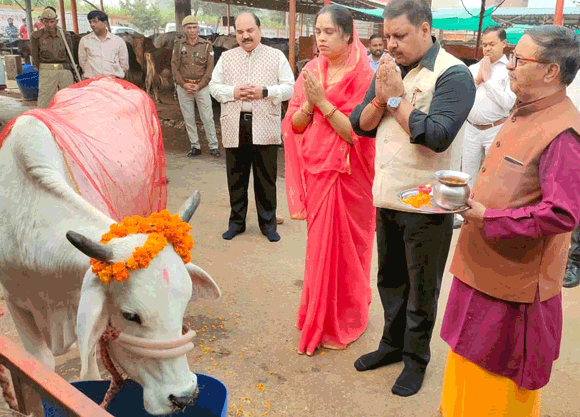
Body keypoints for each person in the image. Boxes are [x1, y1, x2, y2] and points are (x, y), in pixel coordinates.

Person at [440, 25, 580, 416]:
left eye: (519, 59)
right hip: (483, 268)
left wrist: (491, 217)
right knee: (466, 371)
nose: (510, 67)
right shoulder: (527, 112)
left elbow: (562, 212)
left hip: (513, 286)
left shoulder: (563, 132)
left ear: (551, 71)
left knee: (496, 386)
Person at [349, 0, 476, 397]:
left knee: (422, 288)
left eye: (399, 35)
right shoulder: (389, 71)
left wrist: (393, 100)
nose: (391, 44)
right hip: (387, 196)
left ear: (425, 29)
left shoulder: (454, 74)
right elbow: (360, 126)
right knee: (390, 281)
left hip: (427, 204)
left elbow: (437, 136)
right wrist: (379, 99)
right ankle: (391, 346)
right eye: (387, 36)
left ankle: (416, 360)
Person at [283, 5, 376, 356]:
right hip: (319, 170)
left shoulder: (364, 76)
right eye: (318, 31)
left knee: (349, 250)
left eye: (328, 32)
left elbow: (357, 134)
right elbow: (293, 125)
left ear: (348, 34)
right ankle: (317, 316)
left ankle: (345, 318)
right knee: (319, 250)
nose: (320, 38)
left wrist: (321, 101)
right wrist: (309, 105)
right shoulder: (310, 70)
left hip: (351, 176)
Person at [209, 12, 294, 242]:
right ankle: (237, 223)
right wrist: (233, 92)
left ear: (259, 30)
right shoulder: (226, 58)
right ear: (235, 33)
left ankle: (268, 225)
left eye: (250, 31)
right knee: (236, 177)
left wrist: (265, 91)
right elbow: (214, 87)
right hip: (235, 124)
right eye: (240, 32)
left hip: (265, 124)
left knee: (266, 178)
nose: (245, 36)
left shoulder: (276, 56)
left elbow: (290, 88)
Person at [462, 26, 516, 190]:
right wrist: (478, 80)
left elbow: (508, 103)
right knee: (467, 173)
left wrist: (488, 80)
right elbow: (463, 98)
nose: (487, 48)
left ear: (504, 43)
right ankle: (464, 212)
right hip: (471, 128)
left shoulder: (510, 70)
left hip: (495, 129)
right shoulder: (474, 69)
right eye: (485, 44)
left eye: (492, 44)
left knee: (493, 172)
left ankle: (485, 211)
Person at [172, 15, 220, 158]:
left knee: (207, 117)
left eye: (194, 27)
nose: (192, 31)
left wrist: (200, 85)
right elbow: (174, 67)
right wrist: (183, 84)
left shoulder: (206, 45)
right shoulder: (178, 45)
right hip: (184, 86)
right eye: (189, 28)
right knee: (188, 117)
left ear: (198, 28)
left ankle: (213, 146)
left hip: (202, 86)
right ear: (184, 29)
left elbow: (210, 69)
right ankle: (195, 146)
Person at [31, 8, 75, 108]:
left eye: (52, 21)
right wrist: (43, 69)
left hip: (64, 69)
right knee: (44, 101)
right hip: (47, 69)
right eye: (46, 21)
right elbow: (35, 56)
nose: (49, 24)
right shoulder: (36, 36)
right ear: (41, 21)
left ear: (56, 21)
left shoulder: (64, 34)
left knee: (68, 100)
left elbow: (70, 54)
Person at [78, 10, 129, 80]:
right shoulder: (85, 40)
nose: (92, 24)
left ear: (105, 23)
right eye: (90, 22)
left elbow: (124, 65)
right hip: (91, 82)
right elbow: (82, 62)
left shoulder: (118, 41)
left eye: (95, 21)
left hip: (113, 81)